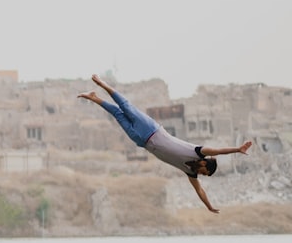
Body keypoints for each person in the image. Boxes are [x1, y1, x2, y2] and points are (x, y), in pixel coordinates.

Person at [78, 74, 253, 213]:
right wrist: (237, 149)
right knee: (125, 106)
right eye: (205, 173)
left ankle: (94, 98)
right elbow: (218, 151)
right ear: (205, 164)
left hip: (143, 142)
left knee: (118, 115)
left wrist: (208, 206)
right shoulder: (198, 152)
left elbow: (199, 191)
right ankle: (103, 84)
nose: (202, 175)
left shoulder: (189, 171)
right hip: (152, 129)